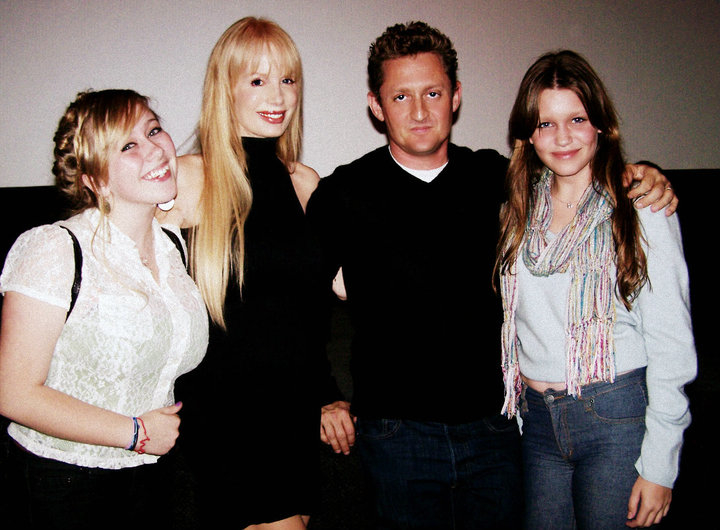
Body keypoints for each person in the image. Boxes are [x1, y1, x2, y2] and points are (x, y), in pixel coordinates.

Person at [307, 22, 678, 530]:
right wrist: (325, 393)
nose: (419, 112)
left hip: (499, 431)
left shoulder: (501, 180)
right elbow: (295, 303)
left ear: (455, 97)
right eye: (401, 97)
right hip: (396, 435)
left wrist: (643, 172)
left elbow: (575, 169)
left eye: (433, 92)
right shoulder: (343, 194)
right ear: (377, 105)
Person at [495, 50, 696, 529]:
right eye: (546, 124)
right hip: (538, 423)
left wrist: (661, 465)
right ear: (528, 133)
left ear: (602, 125)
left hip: (615, 417)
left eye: (577, 119)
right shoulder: (516, 213)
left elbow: (672, 342)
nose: (562, 138)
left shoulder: (640, 206)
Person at [0, 89, 209, 529]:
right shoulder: (55, 248)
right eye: (129, 145)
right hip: (63, 480)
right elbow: (13, 393)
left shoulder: (173, 247)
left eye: (154, 130)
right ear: (94, 179)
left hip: (155, 476)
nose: (155, 149)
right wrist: (135, 433)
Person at [159, 17, 333, 529]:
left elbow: (311, 308)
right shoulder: (189, 176)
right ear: (226, 88)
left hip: (294, 407)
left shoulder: (305, 183)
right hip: (226, 409)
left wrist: (327, 394)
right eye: (257, 80)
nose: (277, 94)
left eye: (287, 79)